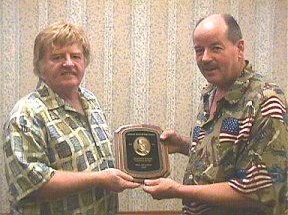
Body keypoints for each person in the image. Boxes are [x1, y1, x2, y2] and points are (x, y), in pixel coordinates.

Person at [142, 14, 288, 215]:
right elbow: (226, 155)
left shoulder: (265, 102)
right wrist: (185, 145)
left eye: (215, 48)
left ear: (240, 48)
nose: (205, 58)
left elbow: (260, 191)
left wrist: (178, 190)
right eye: (199, 50)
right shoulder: (210, 92)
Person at [2, 21, 140, 215]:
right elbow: (31, 183)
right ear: (39, 66)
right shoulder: (25, 115)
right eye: (57, 57)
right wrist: (99, 179)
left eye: (76, 56)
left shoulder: (90, 100)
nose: (68, 63)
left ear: (84, 62)